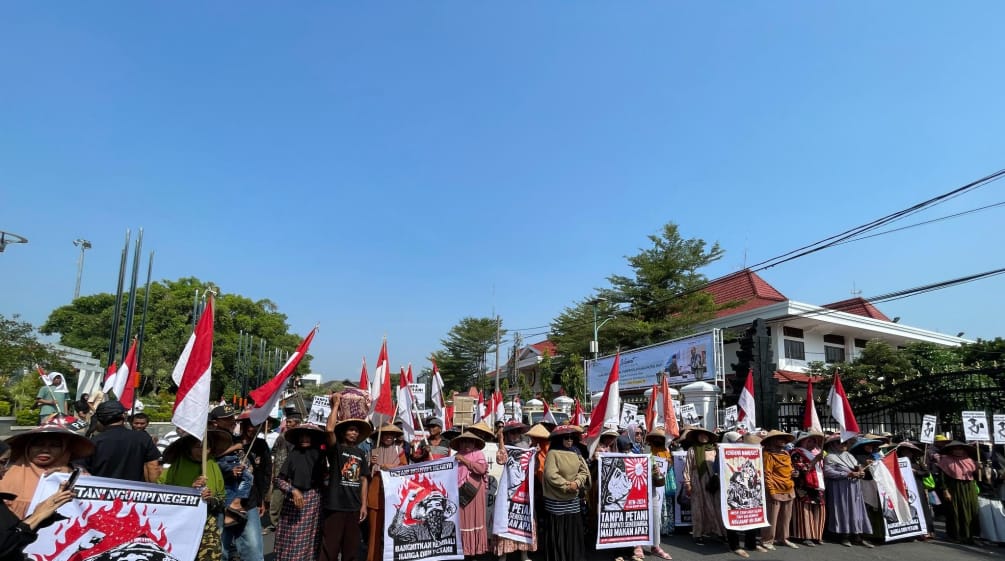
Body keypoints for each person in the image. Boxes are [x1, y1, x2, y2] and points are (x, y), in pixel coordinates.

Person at [159, 430, 231, 561]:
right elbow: (162, 494)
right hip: (180, 525)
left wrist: (211, 498)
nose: (203, 451)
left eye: (207, 447)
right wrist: (190, 491)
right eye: (198, 447)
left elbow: (221, 497)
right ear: (189, 447)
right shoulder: (177, 466)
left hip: (207, 523)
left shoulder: (212, 464)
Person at [0, 438, 75, 561]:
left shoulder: (75, 474)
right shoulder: (9, 478)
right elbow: (5, 542)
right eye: (3, 462)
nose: (45, 450)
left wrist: (44, 512)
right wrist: (37, 516)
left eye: (54, 445)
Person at [0, 424, 94, 518]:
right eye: (38, 444)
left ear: (65, 449)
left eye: (54, 445)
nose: (45, 450)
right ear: (28, 447)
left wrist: (71, 477)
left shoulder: (78, 474)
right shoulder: (4, 472)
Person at [319, 393, 370, 561]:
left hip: (354, 508)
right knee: (330, 549)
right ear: (343, 432)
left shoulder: (361, 454)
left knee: (351, 550)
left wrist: (363, 505)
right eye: (350, 429)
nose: (354, 433)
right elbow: (329, 430)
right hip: (335, 506)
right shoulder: (336, 450)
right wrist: (335, 405)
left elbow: (363, 479)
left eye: (356, 430)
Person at [220, 414, 272, 561]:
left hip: (250, 501)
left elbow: (265, 473)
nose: (253, 429)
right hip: (226, 500)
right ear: (243, 425)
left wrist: (262, 499)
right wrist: (230, 471)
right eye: (250, 425)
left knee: (254, 548)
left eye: (257, 425)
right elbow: (216, 462)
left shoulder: (261, 445)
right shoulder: (230, 441)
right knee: (221, 547)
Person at [273, 423, 327, 561]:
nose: (304, 439)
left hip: (313, 505)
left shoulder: (321, 456)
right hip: (292, 504)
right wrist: (293, 490)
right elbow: (279, 480)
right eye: (301, 436)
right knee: (290, 540)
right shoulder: (294, 454)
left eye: (307, 436)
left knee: (311, 541)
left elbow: (325, 479)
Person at [541, 425, 590, 561]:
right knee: (559, 531)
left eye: (571, 437)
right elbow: (551, 475)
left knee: (572, 530)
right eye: (566, 438)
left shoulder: (576, 452)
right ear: (559, 439)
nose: (569, 440)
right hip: (557, 499)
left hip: (573, 498)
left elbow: (584, 471)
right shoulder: (553, 453)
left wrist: (577, 483)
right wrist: (568, 485)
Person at [84, 401, 162, 482]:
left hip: (102, 492)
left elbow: (81, 470)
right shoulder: (143, 438)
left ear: (99, 419)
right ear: (124, 416)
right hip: (135, 491)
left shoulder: (93, 442)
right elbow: (153, 466)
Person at [823, 436, 873, 547]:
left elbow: (857, 466)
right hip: (839, 489)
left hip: (854, 488)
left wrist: (861, 472)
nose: (844, 444)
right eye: (840, 442)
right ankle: (844, 535)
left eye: (845, 442)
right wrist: (847, 474)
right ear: (833, 445)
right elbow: (827, 472)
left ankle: (857, 535)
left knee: (857, 510)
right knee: (843, 510)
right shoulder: (830, 457)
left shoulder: (849, 455)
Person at [367, 424, 407, 561]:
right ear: (380, 436)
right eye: (385, 434)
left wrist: (392, 467)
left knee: (394, 532)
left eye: (391, 434)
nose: (388, 437)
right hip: (375, 496)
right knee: (374, 532)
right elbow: (365, 475)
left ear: (395, 437)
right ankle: (373, 558)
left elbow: (406, 470)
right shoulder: (373, 451)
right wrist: (370, 464)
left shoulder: (399, 450)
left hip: (394, 497)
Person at [681, 426, 726, 546]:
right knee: (698, 508)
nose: (703, 437)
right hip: (697, 481)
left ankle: (718, 532)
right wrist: (688, 483)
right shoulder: (692, 450)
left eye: (705, 435)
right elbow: (687, 468)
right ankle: (698, 534)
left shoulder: (715, 449)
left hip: (713, 481)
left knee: (715, 507)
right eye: (700, 435)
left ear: (709, 437)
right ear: (697, 437)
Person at [452, 431, 489, 559]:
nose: (467, 444)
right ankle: (464, 550)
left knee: (475, 519)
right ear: (459, 443)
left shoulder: (478, 453)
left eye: (470, 441)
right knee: (463, 521)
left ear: (474, 443)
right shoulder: (456, 455)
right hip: (461, 494)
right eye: (464, 441)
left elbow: (481, 469)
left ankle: (475, 550)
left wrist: (465, 460)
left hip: (475, 493)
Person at [759, 430, 798, 549]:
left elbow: (789, 469)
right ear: (772, 441)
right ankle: (767, 540)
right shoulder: (767, 454)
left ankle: (783, 538)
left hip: (789, 488)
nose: (783, 441)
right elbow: (767, 475)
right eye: (779, 438)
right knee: (772, 518)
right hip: (774, 489)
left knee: (786, 518)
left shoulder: (786, 454)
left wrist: (794, 473)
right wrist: (771, 491)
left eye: (783, 439)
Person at [938, 440, 979, 544]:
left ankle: (970, 535)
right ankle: (956, 535)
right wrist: (945, 490)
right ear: (951, 451)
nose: (958, 451)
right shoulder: (945, 460)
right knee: (956, 511)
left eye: (960, 449)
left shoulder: (970, 460)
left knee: (970, 510)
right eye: (955, 449)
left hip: (969, 488)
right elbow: (942, 478)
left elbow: (978, 476)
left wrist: (980, 468)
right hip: (954, 489)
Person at [789, 431, 826, 546]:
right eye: (810, 440)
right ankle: (806, 535)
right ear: (802, 442)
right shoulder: (796, 453)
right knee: (805, 510)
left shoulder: (814, 454)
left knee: (819, 509)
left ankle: (817, 535)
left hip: (817, 485)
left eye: (814, 441)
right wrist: (815, 460)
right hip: (803, 485)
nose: (813, 443)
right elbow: (800, 469)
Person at [268, 408, 302, 531]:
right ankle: (274, 523)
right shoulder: (281, 437)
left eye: (290, 422)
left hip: (294, 476)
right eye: (287, 421)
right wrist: (273, 471)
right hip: (279, 473)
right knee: (276, 500)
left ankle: (289, 523)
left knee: (293, 500)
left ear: (297, 424)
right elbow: (274, 453)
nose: (287, 423)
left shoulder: (300, 440)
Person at [645, 428, 673, 560]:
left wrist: (664, 465)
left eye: (660, 438)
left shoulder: (666, 451)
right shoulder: (647, 450)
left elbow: (670, 466)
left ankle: (656, 545)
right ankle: (638, 545)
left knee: (656, 514)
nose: (658, 440)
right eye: (655, 437)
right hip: (642, 486)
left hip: (658, 484)